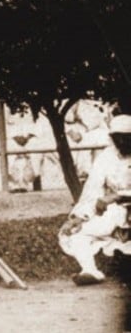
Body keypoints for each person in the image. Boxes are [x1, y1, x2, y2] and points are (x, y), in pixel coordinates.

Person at [58, 115, 131, 285]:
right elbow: (93, 189)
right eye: (117, 137)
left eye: (126, 137)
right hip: (117, 212)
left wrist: (118, 195)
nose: (121, 142)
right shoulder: (107, 156)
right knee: (76, 233)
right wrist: (79, 217)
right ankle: (90, 270)